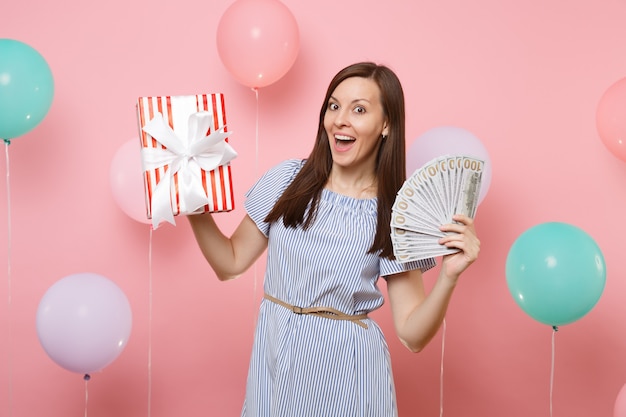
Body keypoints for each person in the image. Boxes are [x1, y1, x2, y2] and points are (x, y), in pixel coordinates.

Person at [187, 61, 480, 417]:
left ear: (386, 124)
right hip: (275, 360)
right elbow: (229, 262)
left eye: (359, 110)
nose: (340, 119)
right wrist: (190, 203)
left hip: (348, 375)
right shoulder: (287, 180)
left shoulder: (395, 214)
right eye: (334, 105)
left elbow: (412, 334)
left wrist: (450, 275)